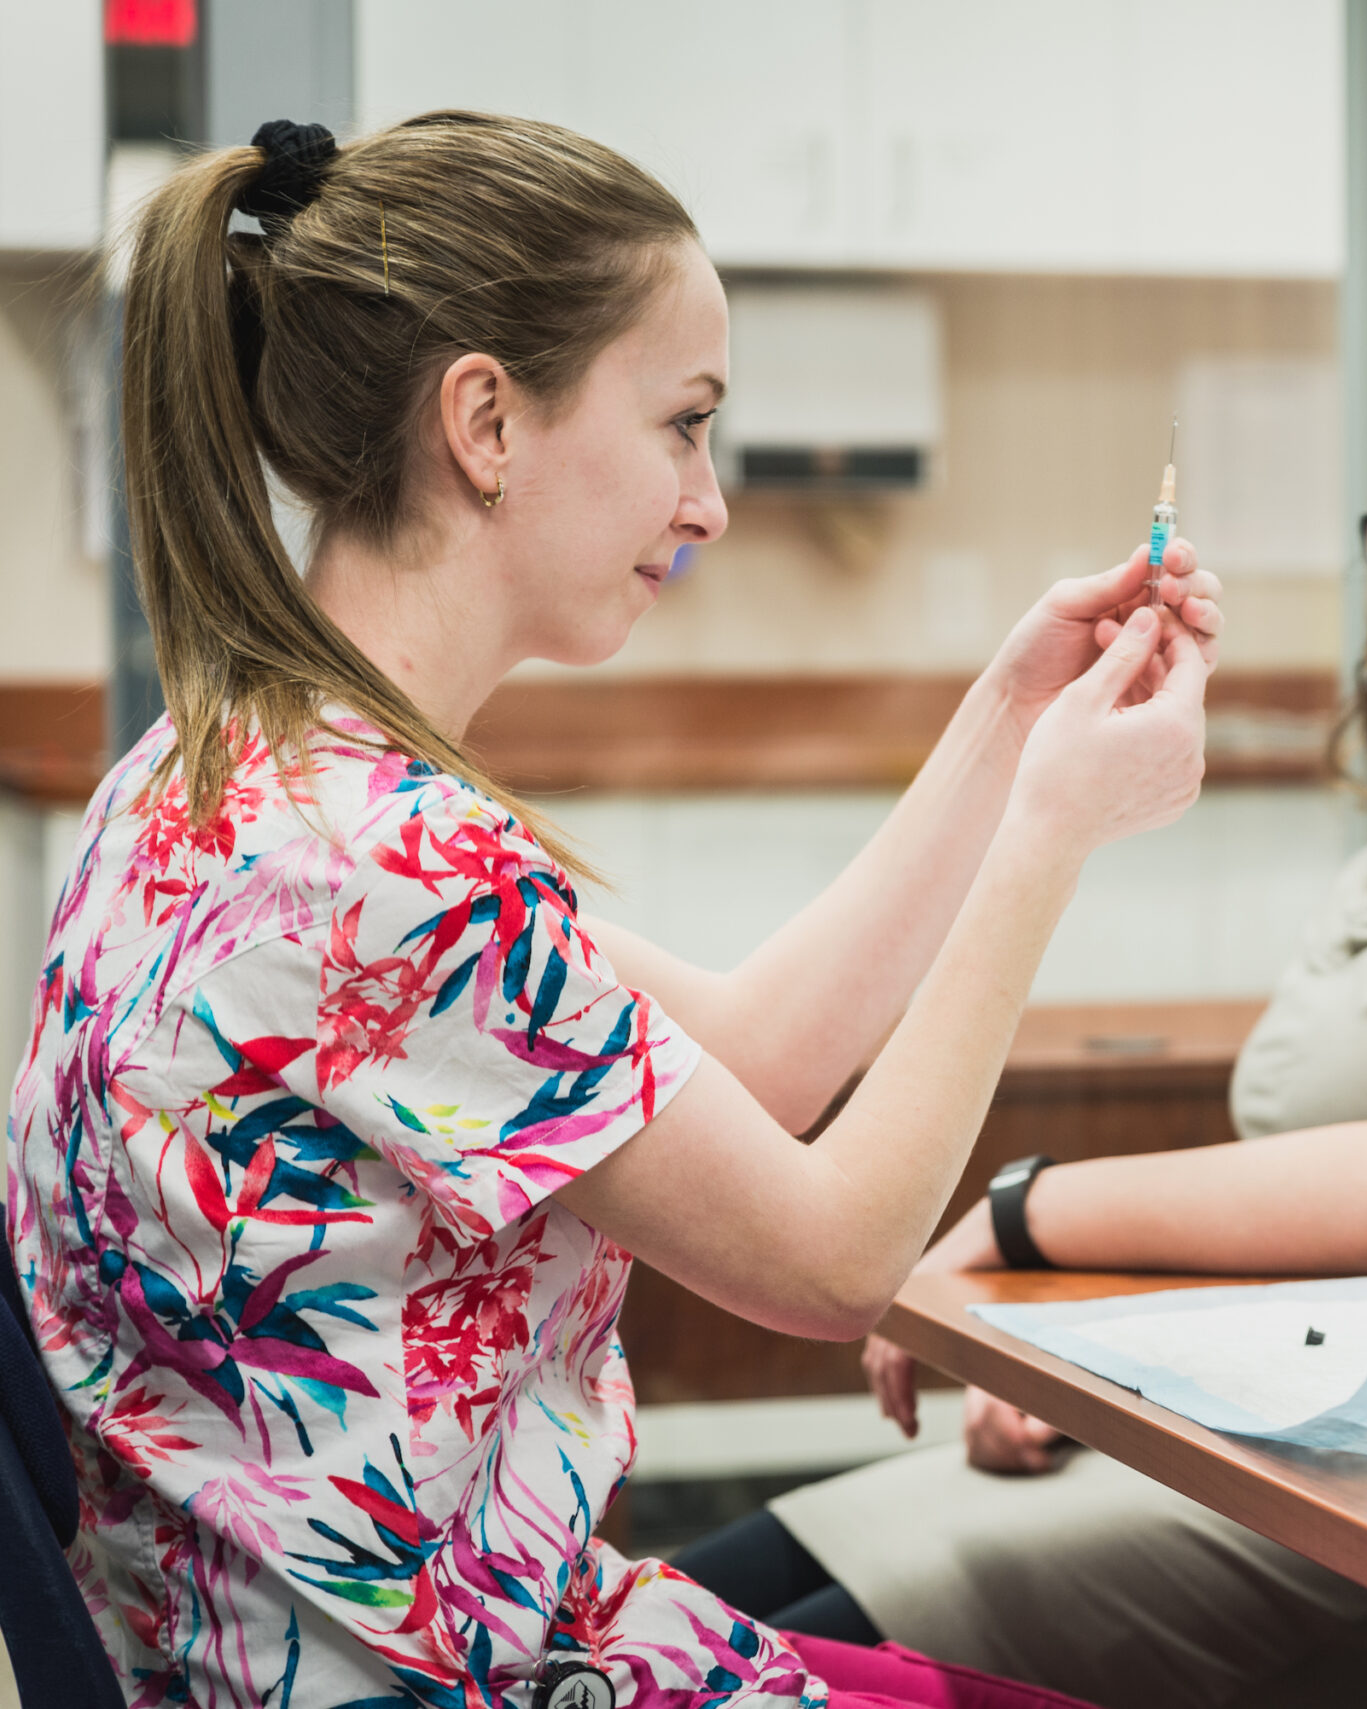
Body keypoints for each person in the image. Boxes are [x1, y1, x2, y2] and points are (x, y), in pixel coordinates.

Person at [4, 114, 1221, 1709]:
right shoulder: (404, 868)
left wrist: (1009, 720)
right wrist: (1053, 831)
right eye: (684, 424)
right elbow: (839, 1258)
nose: (708, 502)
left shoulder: (225, 777)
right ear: (488, 419)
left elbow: (759, 1059)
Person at [680, 334, 1367, 1708]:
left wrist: (1029, 1212)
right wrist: (1107, 1373)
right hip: (1300, 1420)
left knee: (697, 1648)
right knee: (688, 1595)